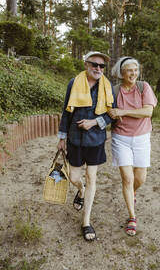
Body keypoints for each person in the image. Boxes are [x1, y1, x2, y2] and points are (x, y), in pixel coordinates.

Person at [57, 51, 115, 242]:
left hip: (96, 140)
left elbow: (111, 114)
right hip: (75, 139)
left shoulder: (107, 88)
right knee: (74, 177)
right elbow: (66, 112)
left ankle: (86, 221)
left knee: (92, 177)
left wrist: (94, 122)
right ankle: (80, 191)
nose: (98, 69)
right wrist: (62, 137)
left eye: (102, 66)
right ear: (86, 65)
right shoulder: (73, 83)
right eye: (94, 64)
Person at [108, 56, 157, 236]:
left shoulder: (144, 87)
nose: (133, 74)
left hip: (142, 138)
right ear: (122, 73)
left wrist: (124, 111)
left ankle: (132, 193)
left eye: (135, 70)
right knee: (127, 179)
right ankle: (132, 217)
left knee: (140, 179)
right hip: (120, 138)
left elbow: (148, 112)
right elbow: (108, 110)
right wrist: (112, 112)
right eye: (129, 70)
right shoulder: (114, 91)